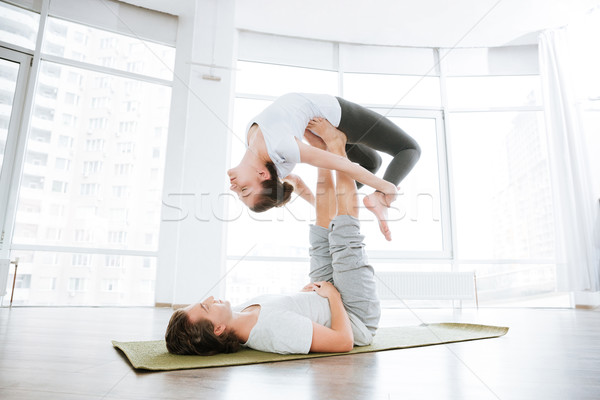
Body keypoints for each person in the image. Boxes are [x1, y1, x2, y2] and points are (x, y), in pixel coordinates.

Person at [166, 131, 380, 355]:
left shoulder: (239, 312)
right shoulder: (273, 332)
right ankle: (337, 146)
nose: (210, 298)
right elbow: (343, 342)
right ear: (218, 328)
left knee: (320, 232)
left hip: (322, 295)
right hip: (354, 315)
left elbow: (286, 310)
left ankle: (322, 152)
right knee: (344, 235)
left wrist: (304, 298)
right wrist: (334, 297)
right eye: (206, 306)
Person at [227, 92, 421, 241]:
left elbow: (295, 183)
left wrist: (323, 208)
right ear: (262, 174)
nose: (233, 187)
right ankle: (380, 200)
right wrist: (388, 188)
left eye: (241, 191)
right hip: (333, 116)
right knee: (410, 149)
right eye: (243, 190)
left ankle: (340, 208)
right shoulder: (282, 148)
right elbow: (344, 165)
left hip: (320, 124)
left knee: (373, 163)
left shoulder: (261, 154)